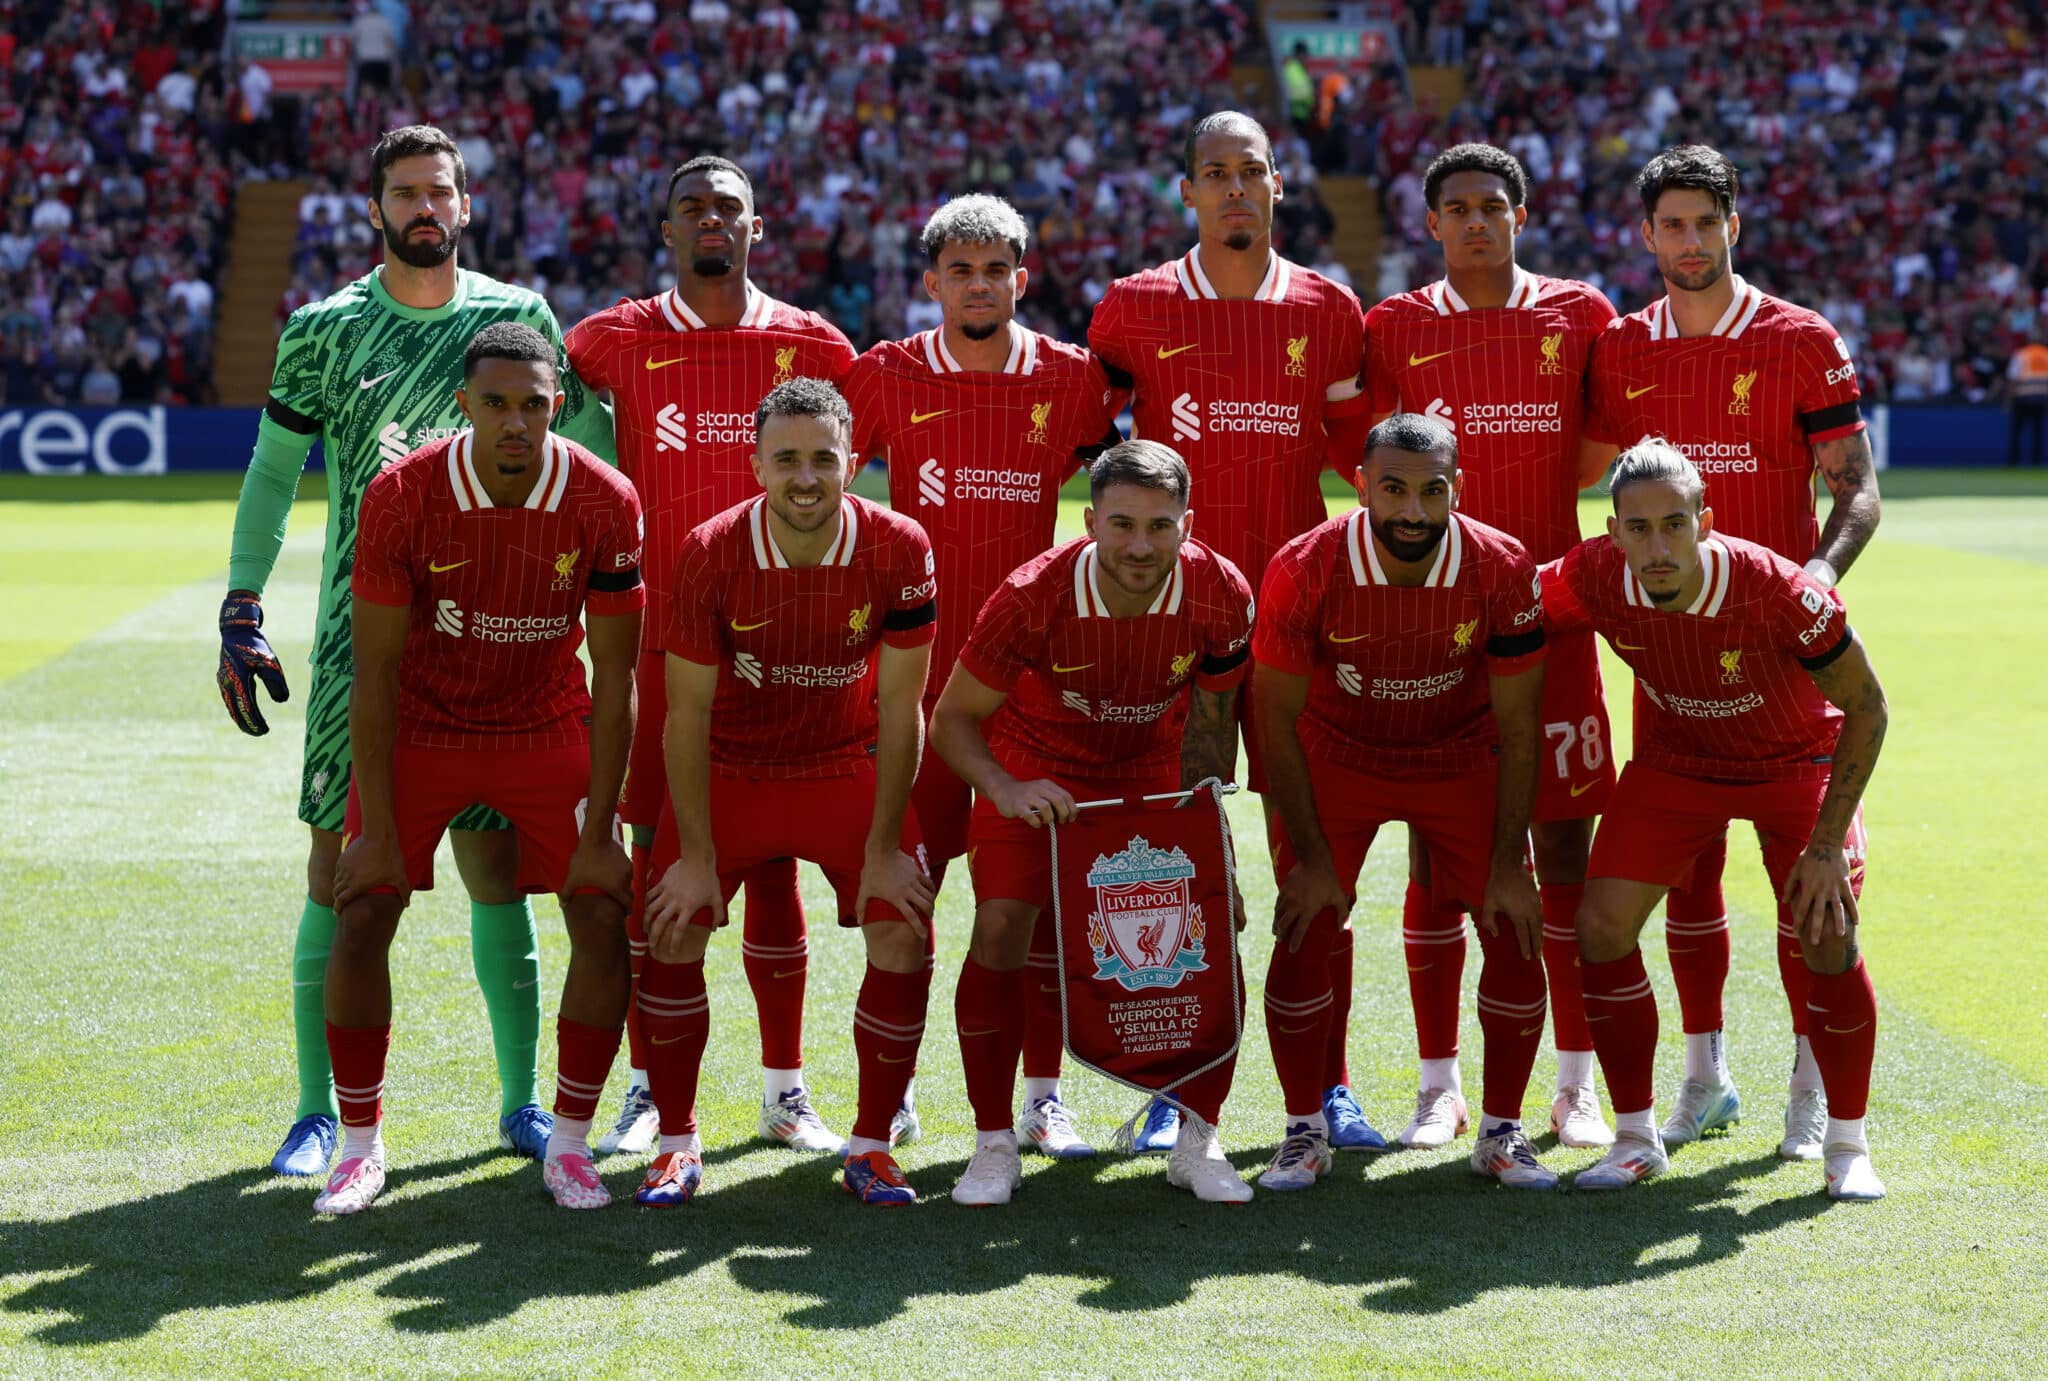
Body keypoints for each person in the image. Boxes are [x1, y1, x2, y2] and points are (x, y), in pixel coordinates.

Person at [214, 124, 613, 1178]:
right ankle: (315, 1113)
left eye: (440, 189)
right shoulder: (325, 327)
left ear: (465, 204)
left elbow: (586, 461)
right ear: (377, 207)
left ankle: (521, 1103)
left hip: (508, 638)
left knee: (499, 874)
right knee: (338, 873)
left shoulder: (517, 317)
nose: (423, 206)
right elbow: (270, 471)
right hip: (366, 641)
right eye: (405, 191)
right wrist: (241, 603)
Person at [1585, 144, 1880, 1160]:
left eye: (1704, 224)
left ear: (1732, 227)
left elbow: (1855, 486)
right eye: (1670, 226)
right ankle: (1703, 1074)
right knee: (1686, 877)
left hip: (1783, 659)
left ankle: (1808, 1083)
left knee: (1805, 885)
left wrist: (1819, 577)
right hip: (1669, 663)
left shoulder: (1799, 339)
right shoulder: (1619, 350)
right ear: (1645, 235)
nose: (1689, 242)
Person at [564, 156, 860, 1159]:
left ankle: (785, 1091)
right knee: (662, 872)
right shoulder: (612, 337)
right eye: (690, 207)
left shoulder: (810, 343)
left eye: (726, 209)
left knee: (773, 868)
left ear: (756, 228)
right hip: (662, 648)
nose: (709, 221)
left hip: (786, 650)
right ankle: (651, 1088)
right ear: (666, 229)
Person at [1087, 109, 1371, 1152]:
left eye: (1250, 172)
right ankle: (1171, 1081)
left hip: (1301, 634)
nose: (1234, 190)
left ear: (1277, 186)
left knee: (1314, 861)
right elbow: (1089, 441)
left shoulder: (1329, 309)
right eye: (1215, 174)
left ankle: (1326, 1087)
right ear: (1187, 194)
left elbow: (1360, 461)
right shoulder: (1134, 306)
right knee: (1170, 862)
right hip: (1175, 632)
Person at [315, 323, 643, 1214]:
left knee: (603, 907)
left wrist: (604, 828)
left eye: (533, 405)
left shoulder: (606, 499)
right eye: (495, 403)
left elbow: (615, 676)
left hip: (544, 724)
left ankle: (570, 1144)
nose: (514, 422)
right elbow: (374, 672)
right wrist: (375, 829)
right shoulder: (402, 496)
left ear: (558, 408)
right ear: (463, 406)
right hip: (424, 723)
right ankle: (357, 1144)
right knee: (365, 903)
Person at [842, 193, 1123, 1160]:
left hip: (1023, 698)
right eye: (958, 269)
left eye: (995, 268)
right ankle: (899, 1086)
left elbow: (1120, 495)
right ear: (931, 283)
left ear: (1021, 279)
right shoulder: (882, 374)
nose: (978, 284)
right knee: (905, 904)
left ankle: (1042, 1097)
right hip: (912, 694)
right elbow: (827, 500)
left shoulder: (1073, 381)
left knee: (1027, 910)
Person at [1543, 441, 1886, 1201]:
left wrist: (1827, 843)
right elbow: (1511, 604)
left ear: (1706, 521)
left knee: (1826, 931)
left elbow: (1868, 706)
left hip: (1797, 762)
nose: (1656, 547)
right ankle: (1635, 1138)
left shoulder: (1780, 591)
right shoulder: (1596, 573)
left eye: (1674, 525)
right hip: (1681, 763)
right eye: (1638, 529)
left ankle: (1846, 1143)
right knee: (1598, 927)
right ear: (1613, 531)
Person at [1363, 142, 1620, 1150]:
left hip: (1551, 628)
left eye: (1491, 205)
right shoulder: (1393, 327)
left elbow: (1592, 452)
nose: (1474, 221)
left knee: (1562, 852)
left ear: (1520, 214)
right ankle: (1437, 1086)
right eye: (1455, 208)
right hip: (1433, 631)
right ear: (1430, 224)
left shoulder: (1580, 315)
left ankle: (1574, 1083)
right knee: (1439, 853)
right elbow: (1377, 470)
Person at [635, 377, 938, 1208]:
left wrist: (882, 850)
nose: (807, 477)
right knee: (668, 926)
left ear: (851, 462)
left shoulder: (899, 545)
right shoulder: (708, 549)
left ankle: (872, 1145)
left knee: (905, 927)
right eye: (788, 460)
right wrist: (694, 856)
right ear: (756, 465)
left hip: (844, 765)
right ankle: (674, 1142)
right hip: (730, 769)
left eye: (824, 459)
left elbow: (904, 704)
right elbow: (686, 713)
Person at [929, 440, 1255, 1205]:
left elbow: (1212, 728)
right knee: (1003, 927)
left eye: (1160, 525)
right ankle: (992, 1144)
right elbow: (951, 720)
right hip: (1038, 769)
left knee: (1210, 932)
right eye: (1122, 524)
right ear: (1089, 521)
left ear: (1187, 523)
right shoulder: (1032, 593)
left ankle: (1197, 1142)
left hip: (1150, 775)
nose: (1141, 545)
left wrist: (1216, 857)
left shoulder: (1219, 591)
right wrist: (1004, 787)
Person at [1254, 414, 1554, 1191]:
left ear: (1458, 489)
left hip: (1457, 753)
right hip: (1337, 751)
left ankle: (1499, 1130)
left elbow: (1521, 725)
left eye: (1433, 491)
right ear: (1360, 486)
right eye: (1394, 489)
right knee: (1304, 923)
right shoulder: (1306, 565)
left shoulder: (1500, 564)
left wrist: (1508, 861)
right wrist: (1314, 859)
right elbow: (1275, 720)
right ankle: (1303, 1128)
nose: (1413, 511)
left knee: (1517, 925)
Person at [2008, 335, 2048, 468]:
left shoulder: (2021, 354)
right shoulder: (2045, 354)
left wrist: (2008, 399)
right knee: (2038, 434)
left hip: (2022, 398)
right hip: (2041, 399)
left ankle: (2013, 463)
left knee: (2017, 433)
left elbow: (2013, 378)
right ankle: (2036, 463)